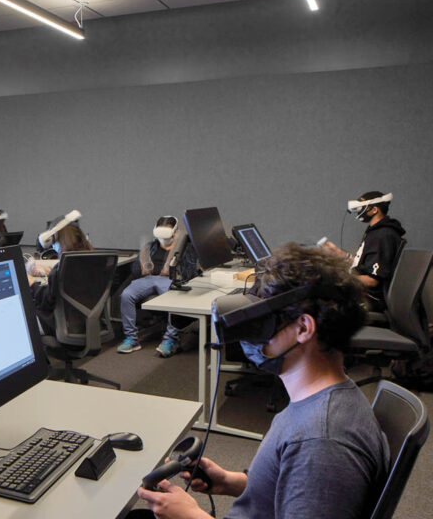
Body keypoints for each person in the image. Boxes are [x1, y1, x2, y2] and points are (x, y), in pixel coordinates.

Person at [135, 243, 389, 519]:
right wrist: (234, 482)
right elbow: (294, 490)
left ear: (303, 328)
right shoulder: (317, 402)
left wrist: (193, 517)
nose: (252, 337)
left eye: (263, 322)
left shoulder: (322, 443)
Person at [117, 216, 198, 358]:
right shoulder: (150, 247)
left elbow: (190, 273)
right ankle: (131, 338)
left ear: (175, 233)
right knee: (126, 295)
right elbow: (135, 271)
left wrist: (174, 268)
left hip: (169, 280)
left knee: (174, 298)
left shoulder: (184, 248)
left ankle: (170, 340)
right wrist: (141, 266)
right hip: (149, 279)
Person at [322, 191, 405, 311]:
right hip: (364, 294)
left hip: (370, 299)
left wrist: (340, 279)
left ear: (374, 210)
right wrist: (338, 253)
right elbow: (367, 265)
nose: (359, 211)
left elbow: (372, 280)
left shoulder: (382, 235)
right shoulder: (375, 232)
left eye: (361, 207)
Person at [27, 210, 93, 336]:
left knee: (25, 310)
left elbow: (47, 300)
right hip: (85, 323)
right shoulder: (90, 259)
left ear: (59, 240)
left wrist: (32, 284)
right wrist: (51, 272)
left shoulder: (65, 266)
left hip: (62, 325)